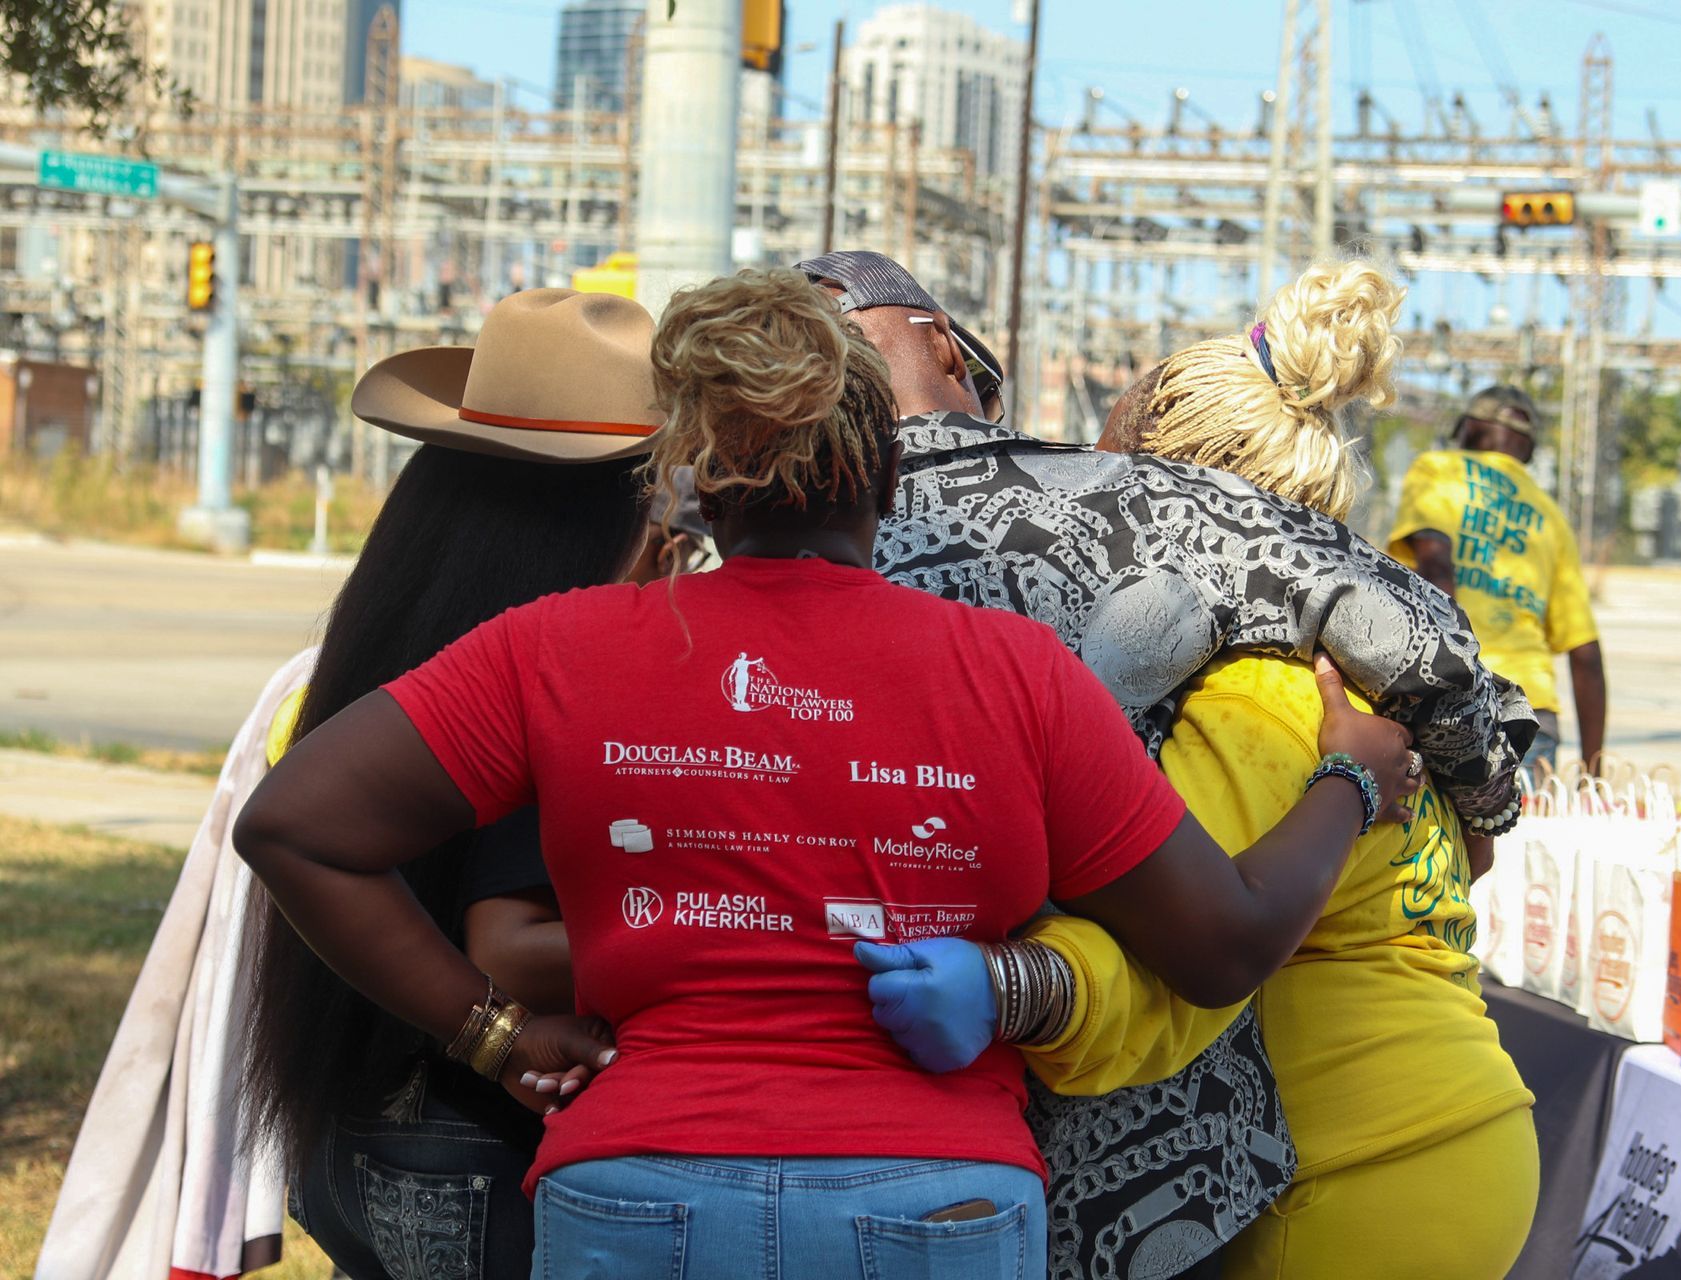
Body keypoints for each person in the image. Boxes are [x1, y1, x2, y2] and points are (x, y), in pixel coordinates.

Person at [232, 268, 1423, 1279]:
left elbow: (296, 824)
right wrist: (1351, 779)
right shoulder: (1014, 673)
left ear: (693, 480)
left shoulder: (564, 644)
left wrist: (488, 1033)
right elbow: (1223, 943)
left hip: (631, 1193)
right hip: (936, 1207)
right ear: (892, 475)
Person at [796, 249, 1534, 1276]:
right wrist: (1479, 784)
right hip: (1402, 1134)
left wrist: (1002, 984)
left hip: (1356, 1161)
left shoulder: (1270, 697)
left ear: (1184, 484)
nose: (1087, 467)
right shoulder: (1346, 680)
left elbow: (1185, 949)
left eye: (1117, 448)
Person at [242, 288, 659, 1280]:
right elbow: (509, 945)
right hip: (480, 1137)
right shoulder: (555, 660)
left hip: (353, 1126)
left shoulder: (397, 609)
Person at [1390, 384, 1607, 777]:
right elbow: (1585, 653)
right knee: (1519, 836)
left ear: (1468, 428)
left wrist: (1445, 689)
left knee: (1436, 837)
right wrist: (1593, 773)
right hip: (1531, 713)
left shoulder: (1438, 469)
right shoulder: (1550, 516)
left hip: (1453, 698)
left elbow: (1436, 573)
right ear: (1528, 450)